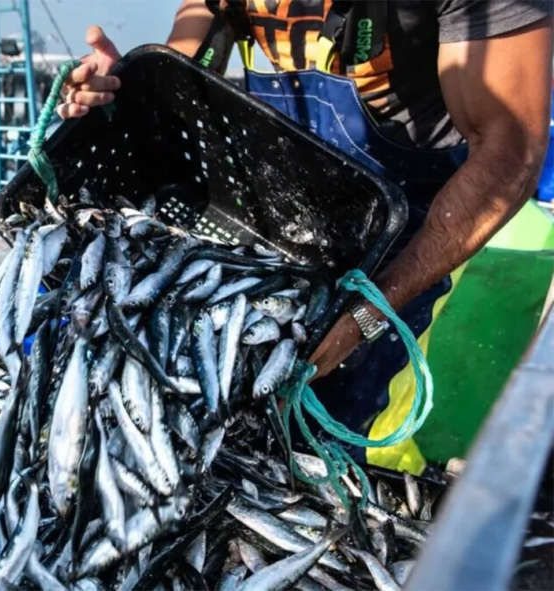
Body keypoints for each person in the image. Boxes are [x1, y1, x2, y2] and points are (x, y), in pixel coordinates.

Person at [59, 1, 552, 473]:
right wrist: (129, 91)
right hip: (272, 214)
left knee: (323, 437)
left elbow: (509, 151)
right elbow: (202, 26)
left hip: (402, 243)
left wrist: (367, 314)